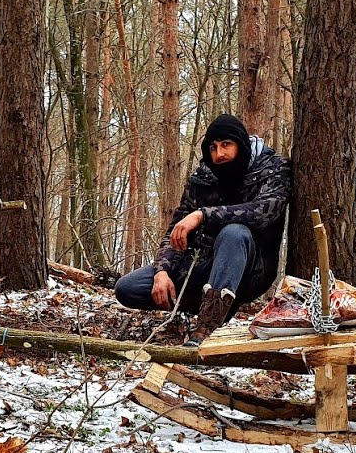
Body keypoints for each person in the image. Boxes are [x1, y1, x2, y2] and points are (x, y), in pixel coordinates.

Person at [115, 114, 292, 346]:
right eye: (213, 147)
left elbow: (264, 211)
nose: (219, 154)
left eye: (226, 145)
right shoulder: (203, 177)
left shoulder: (273, 168)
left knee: (234, 232)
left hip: (250, 269)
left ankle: (206, 327)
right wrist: (162, 271)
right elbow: (176, 230)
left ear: (242, 145)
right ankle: (209, 305)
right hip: (202, 262)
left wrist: (202, 215)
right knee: (127, 288)